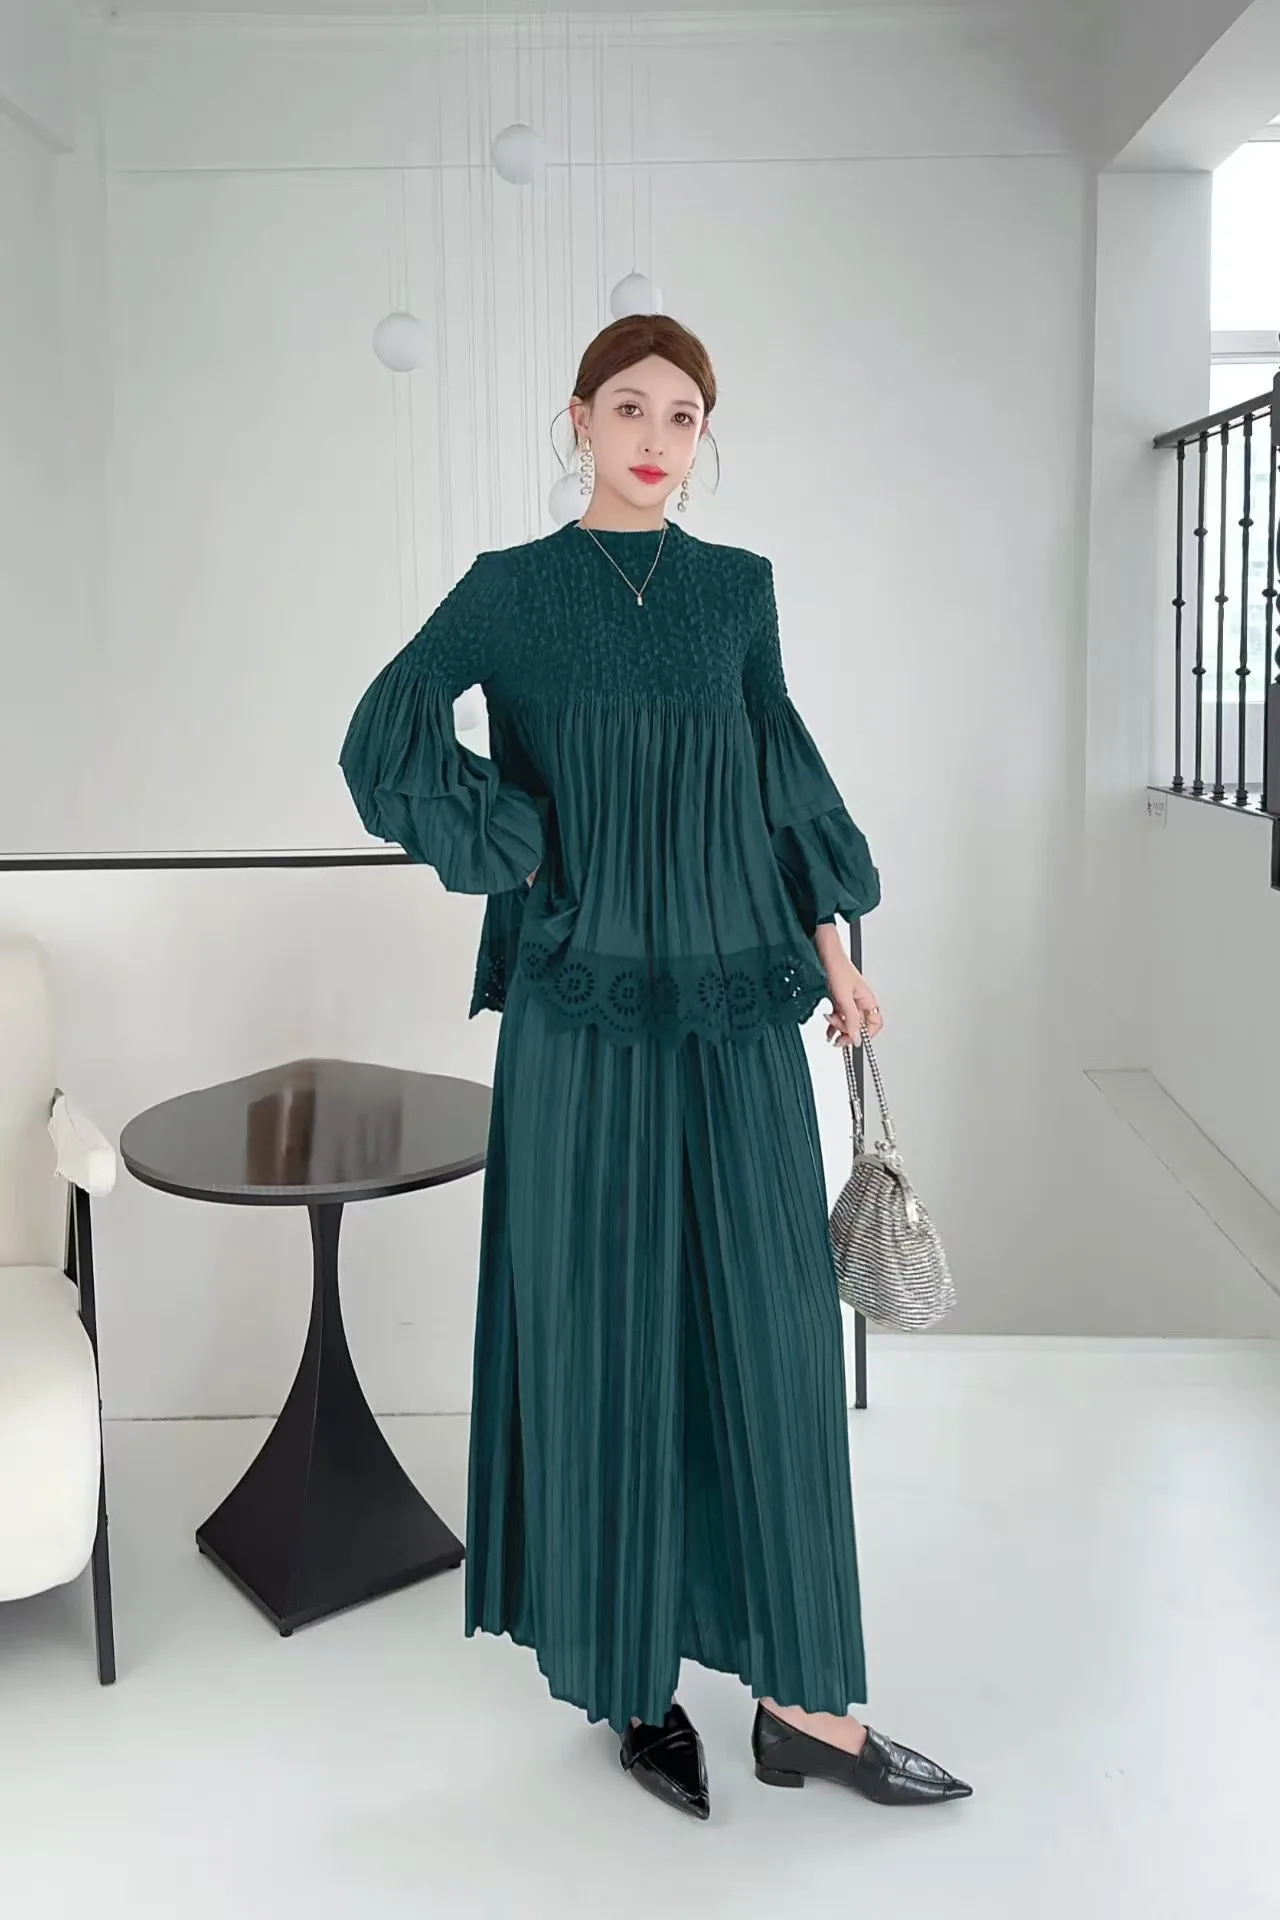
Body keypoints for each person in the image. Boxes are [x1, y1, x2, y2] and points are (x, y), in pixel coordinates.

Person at [339, 314, 971, 1821]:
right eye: (630, 407)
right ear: (578, 419)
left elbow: (778, 779)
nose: (656, 438)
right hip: (578, 1017)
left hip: (740, 1012)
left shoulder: (736, 592)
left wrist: (835, 953)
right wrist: (508, 840)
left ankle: (806, 1708)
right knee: (601, 1332)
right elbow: (384, 734)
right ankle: (631, 1686)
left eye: (684, 416)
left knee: (774, 1338)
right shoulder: (510, 594)